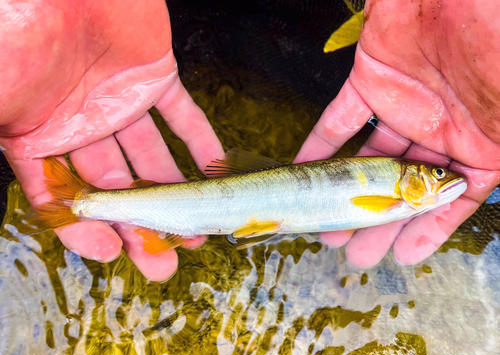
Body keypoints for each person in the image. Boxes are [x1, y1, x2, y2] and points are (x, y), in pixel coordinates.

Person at [0, 0, 498, 282]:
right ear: (410, 182)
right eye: (436, 175)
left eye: (438, 176)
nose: (445, 179)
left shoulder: (394, 194)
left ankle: (82, 205)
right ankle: (83, 205)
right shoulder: (393, 196)